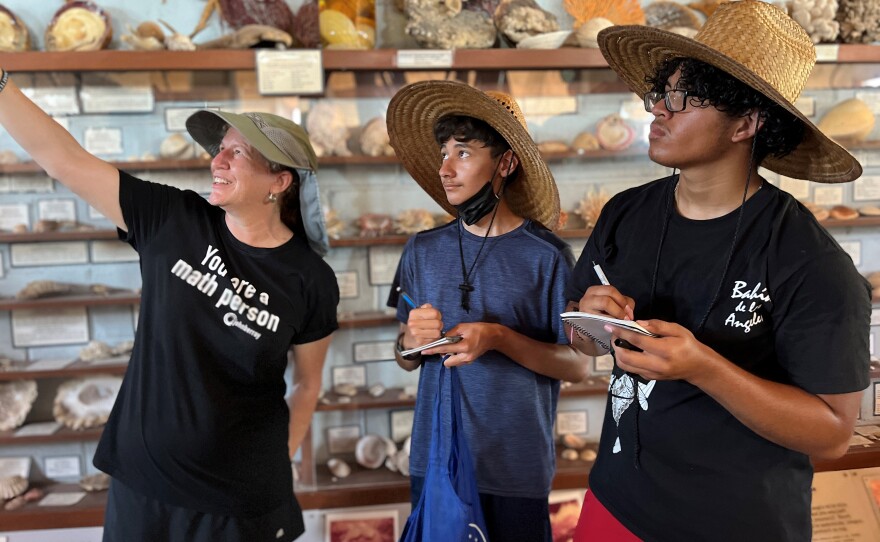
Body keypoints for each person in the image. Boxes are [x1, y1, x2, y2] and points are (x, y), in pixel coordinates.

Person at [566, 2, 871, 540]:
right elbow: (579, 340)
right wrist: (590, 325)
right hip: (615, 502)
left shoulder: (810, 262)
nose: (657, 110)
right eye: (660, 94)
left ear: (747, 123)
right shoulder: (625, 213)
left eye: (682, 99)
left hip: (735, 522)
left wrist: (703, 366)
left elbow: (831, 434)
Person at [0, 68, 339, 541]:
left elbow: (307, 383)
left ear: (278, 181)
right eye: (218, 148)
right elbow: (63, 160)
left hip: (241, 504)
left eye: (235, 152)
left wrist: (278, 459)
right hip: (144, 486)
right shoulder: (173, 219)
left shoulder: (310, 278)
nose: (216, 160)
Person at [385, 80, 592, 542]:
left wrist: (498, 338)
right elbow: (404, 356)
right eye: (444, 153)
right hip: (436, 458)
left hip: (515, 464)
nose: (445, 168)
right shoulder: (421, 249)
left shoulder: (548, 256)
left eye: (463, 153)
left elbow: (578, 366)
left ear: (506, 162)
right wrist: (410, 343)